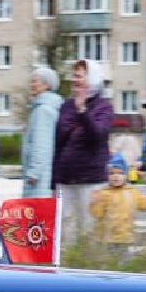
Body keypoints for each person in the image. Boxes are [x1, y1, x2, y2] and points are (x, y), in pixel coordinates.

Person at [52, 58, 114, 247]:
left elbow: (98, 135)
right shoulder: (66, 106)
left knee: (91, 233)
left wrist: (82, 111)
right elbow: (59, 143)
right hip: (65, 180)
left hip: (91, 181)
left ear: (92, 79)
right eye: (74, 76)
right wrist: (53, 181)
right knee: (65, 235)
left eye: (80, 76)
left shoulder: (104, 107)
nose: (75, 80)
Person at [90, 153, 146, 262]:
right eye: (112, 173)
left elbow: (145, 205)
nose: (116, 176)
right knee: (107, 264)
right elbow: (97, 214)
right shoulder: (104, 193)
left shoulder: (132, 192)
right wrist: (95, 202)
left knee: (124, 264)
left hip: (125, 239)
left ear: (126, 175)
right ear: (107, 176)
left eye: (120, 173)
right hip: (106, 239)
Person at [22, 66, 62, 197]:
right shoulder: (46, 108)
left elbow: (41, 144)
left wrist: (34, 172)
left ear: (46, 85)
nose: (32, 85)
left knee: (37, 208)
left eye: (35, 81)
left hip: (39, 178)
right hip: (44, 174)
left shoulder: (42, 111)